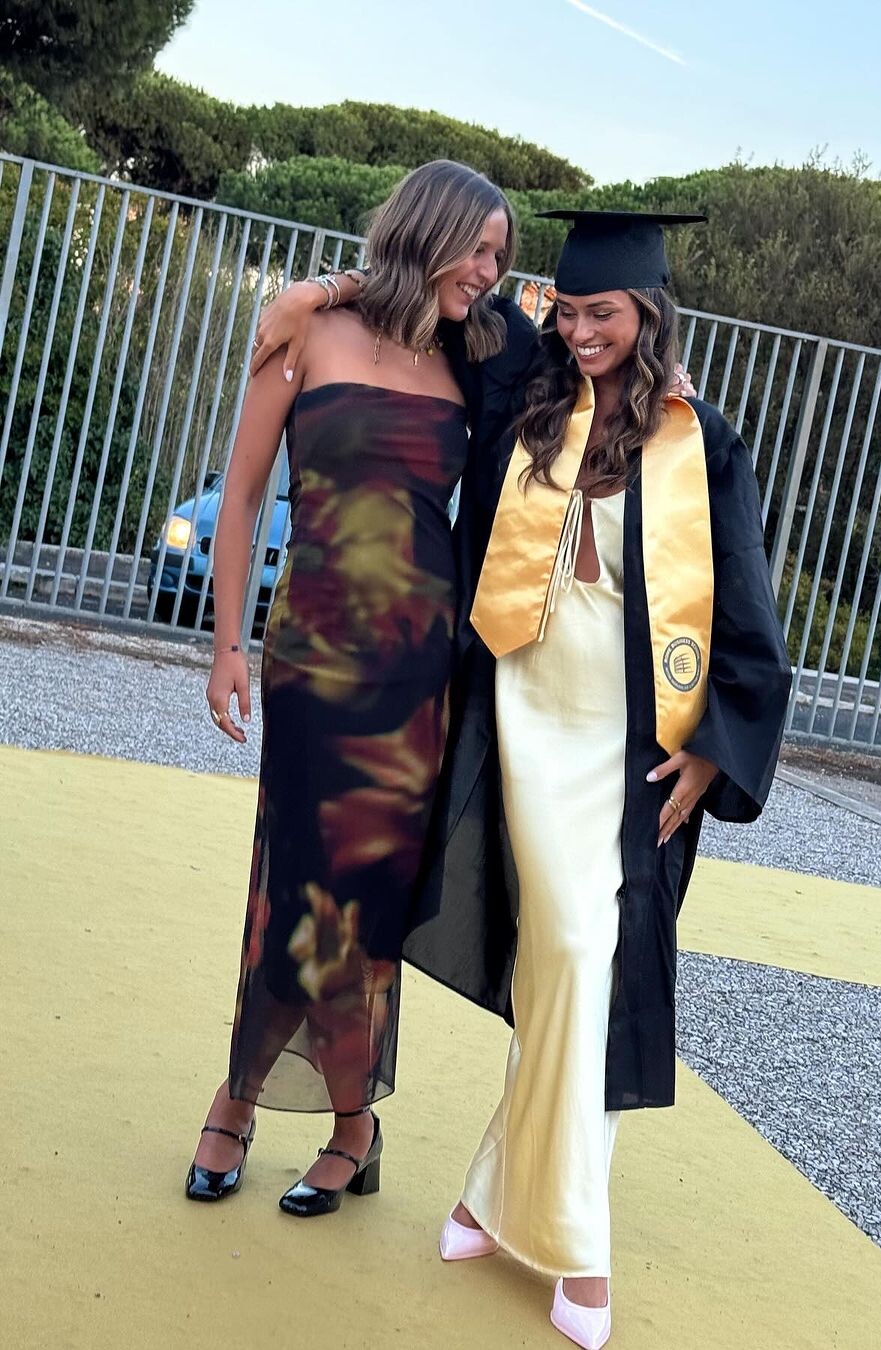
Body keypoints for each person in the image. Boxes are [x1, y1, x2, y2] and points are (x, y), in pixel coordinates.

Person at [402, 210, 793, 1348]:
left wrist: (717, 742)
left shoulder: (700, 443)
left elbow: (746, 604)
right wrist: (319, 294)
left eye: (604, 314)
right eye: (568, 310)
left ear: (650, 314)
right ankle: (532, 1217)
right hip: (524, 715)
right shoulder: (526, 393)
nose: (580, 331)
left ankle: (543, 1222)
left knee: (583, 960)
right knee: (557, 961)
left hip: (629, 738)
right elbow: (438, 303)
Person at [185, 160, 539, 1217]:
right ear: (430, 230)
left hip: (415, 676)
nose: (490, 271)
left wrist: (670, 383)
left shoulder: (477, 356)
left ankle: (344, 1124)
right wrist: (227, 645)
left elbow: (584, 365)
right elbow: (242, 498)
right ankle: (250, 1098)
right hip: (310, 657)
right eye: (478, 248)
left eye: (501, 256)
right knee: (295, 884)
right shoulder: (307, 330)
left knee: (364, 903)